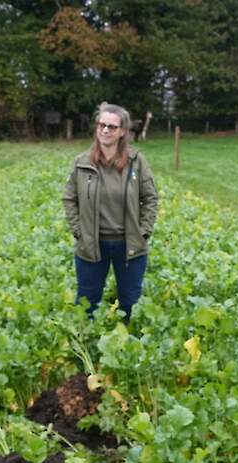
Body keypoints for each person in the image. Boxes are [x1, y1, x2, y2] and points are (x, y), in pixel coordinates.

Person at [62, 102, 158, 322]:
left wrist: (143, 231)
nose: (105, 130)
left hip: (130, 246)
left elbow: (150, 198)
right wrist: (78, 230)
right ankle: (85, 344)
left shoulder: (136, 162)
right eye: (101, 125)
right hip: (92, 245)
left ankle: (128, 348)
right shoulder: (81, 163)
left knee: (130, 302)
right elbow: (69, 198)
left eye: (112, 127)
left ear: (122, 131)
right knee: (87, 301)